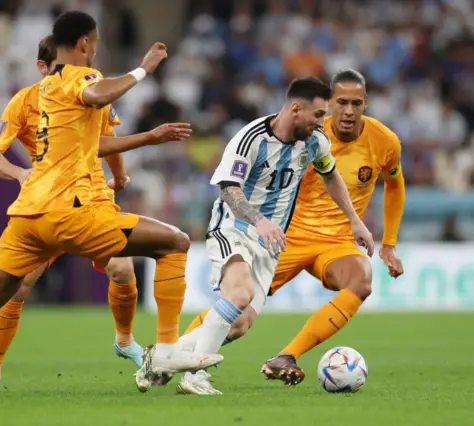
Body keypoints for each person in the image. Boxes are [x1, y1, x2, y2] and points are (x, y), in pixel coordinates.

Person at [0, 11, 222, 402]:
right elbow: (98, 95)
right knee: (174, 242)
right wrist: (143, 69)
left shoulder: (44, 94)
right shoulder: (81, 78)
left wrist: (139, 149)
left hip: (30, 215)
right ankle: (164, 352)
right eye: (93, 46)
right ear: (85, 45)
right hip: (74, 210)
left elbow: (96, 141)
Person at [0, 35, 192, 394]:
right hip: (46, 203)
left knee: (122, 269)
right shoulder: (26, 101)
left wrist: (119, 176)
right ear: (41, 67)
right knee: (20, 285)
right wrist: (20, 173)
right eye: (52, 65)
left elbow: (106, 138)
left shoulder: (90, 88)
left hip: (91, 197)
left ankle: (124, 341)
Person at [141, 76, 375, 395]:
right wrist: (259, 220)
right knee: (238, 294)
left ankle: (159, 360)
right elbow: (229, 188)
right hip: (233, 228)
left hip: (269, 244)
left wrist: (355, 221)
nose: (325, 121)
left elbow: (330, 175)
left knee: (239, 324)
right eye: (319, 114)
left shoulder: (316, 142)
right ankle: (194, 377)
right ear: (296, 109)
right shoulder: (250, 138)